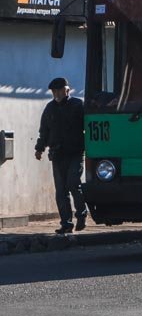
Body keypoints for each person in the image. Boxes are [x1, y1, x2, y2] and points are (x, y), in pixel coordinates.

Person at [34, 77, 87, 234]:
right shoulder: (50, 108)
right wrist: (39, 148)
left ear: (67, 90)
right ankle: (66, 223)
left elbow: (88, 126)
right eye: (54, 91)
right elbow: (44, 131)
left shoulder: (78, 105)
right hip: (57, 154)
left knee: (73, 184)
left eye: (59, 90)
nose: (56, 94)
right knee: (61, 191)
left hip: (76, 152)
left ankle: (81, 214)